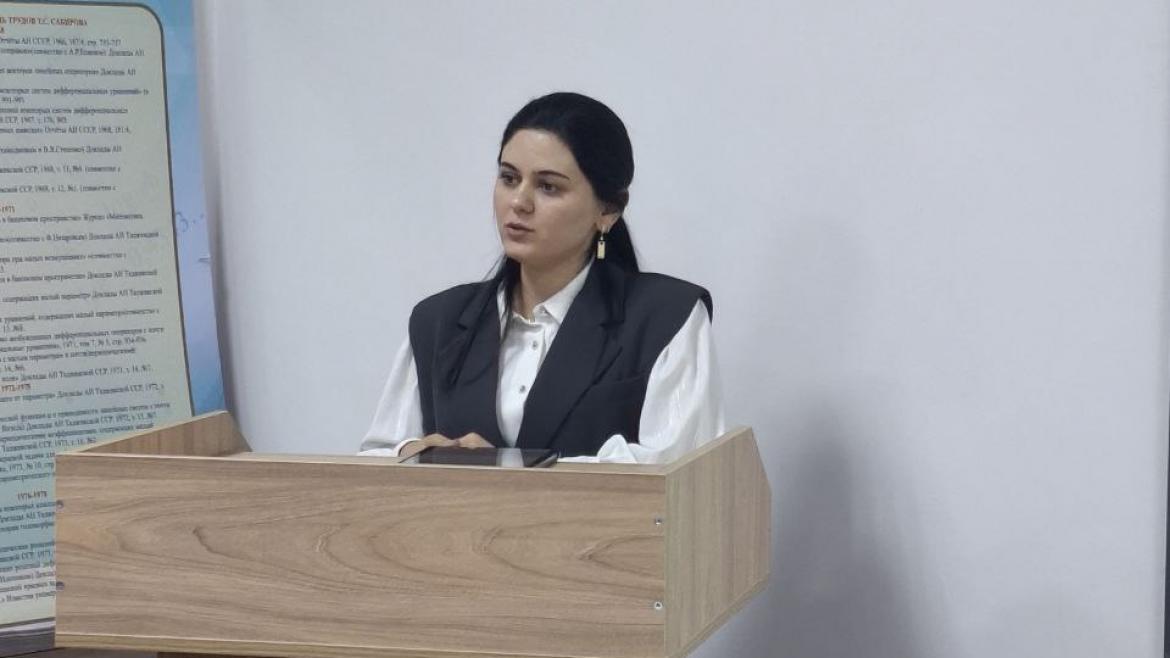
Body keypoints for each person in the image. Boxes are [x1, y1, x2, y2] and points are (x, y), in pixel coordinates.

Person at [359, 92, 725, 463]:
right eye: (509, 178)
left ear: (608, 210)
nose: (519, 202)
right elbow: (375, 459)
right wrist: (415, 454)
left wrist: (506, 468)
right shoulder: (438, 322)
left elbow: (680, 470)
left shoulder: (665, 317)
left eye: (548, 186)